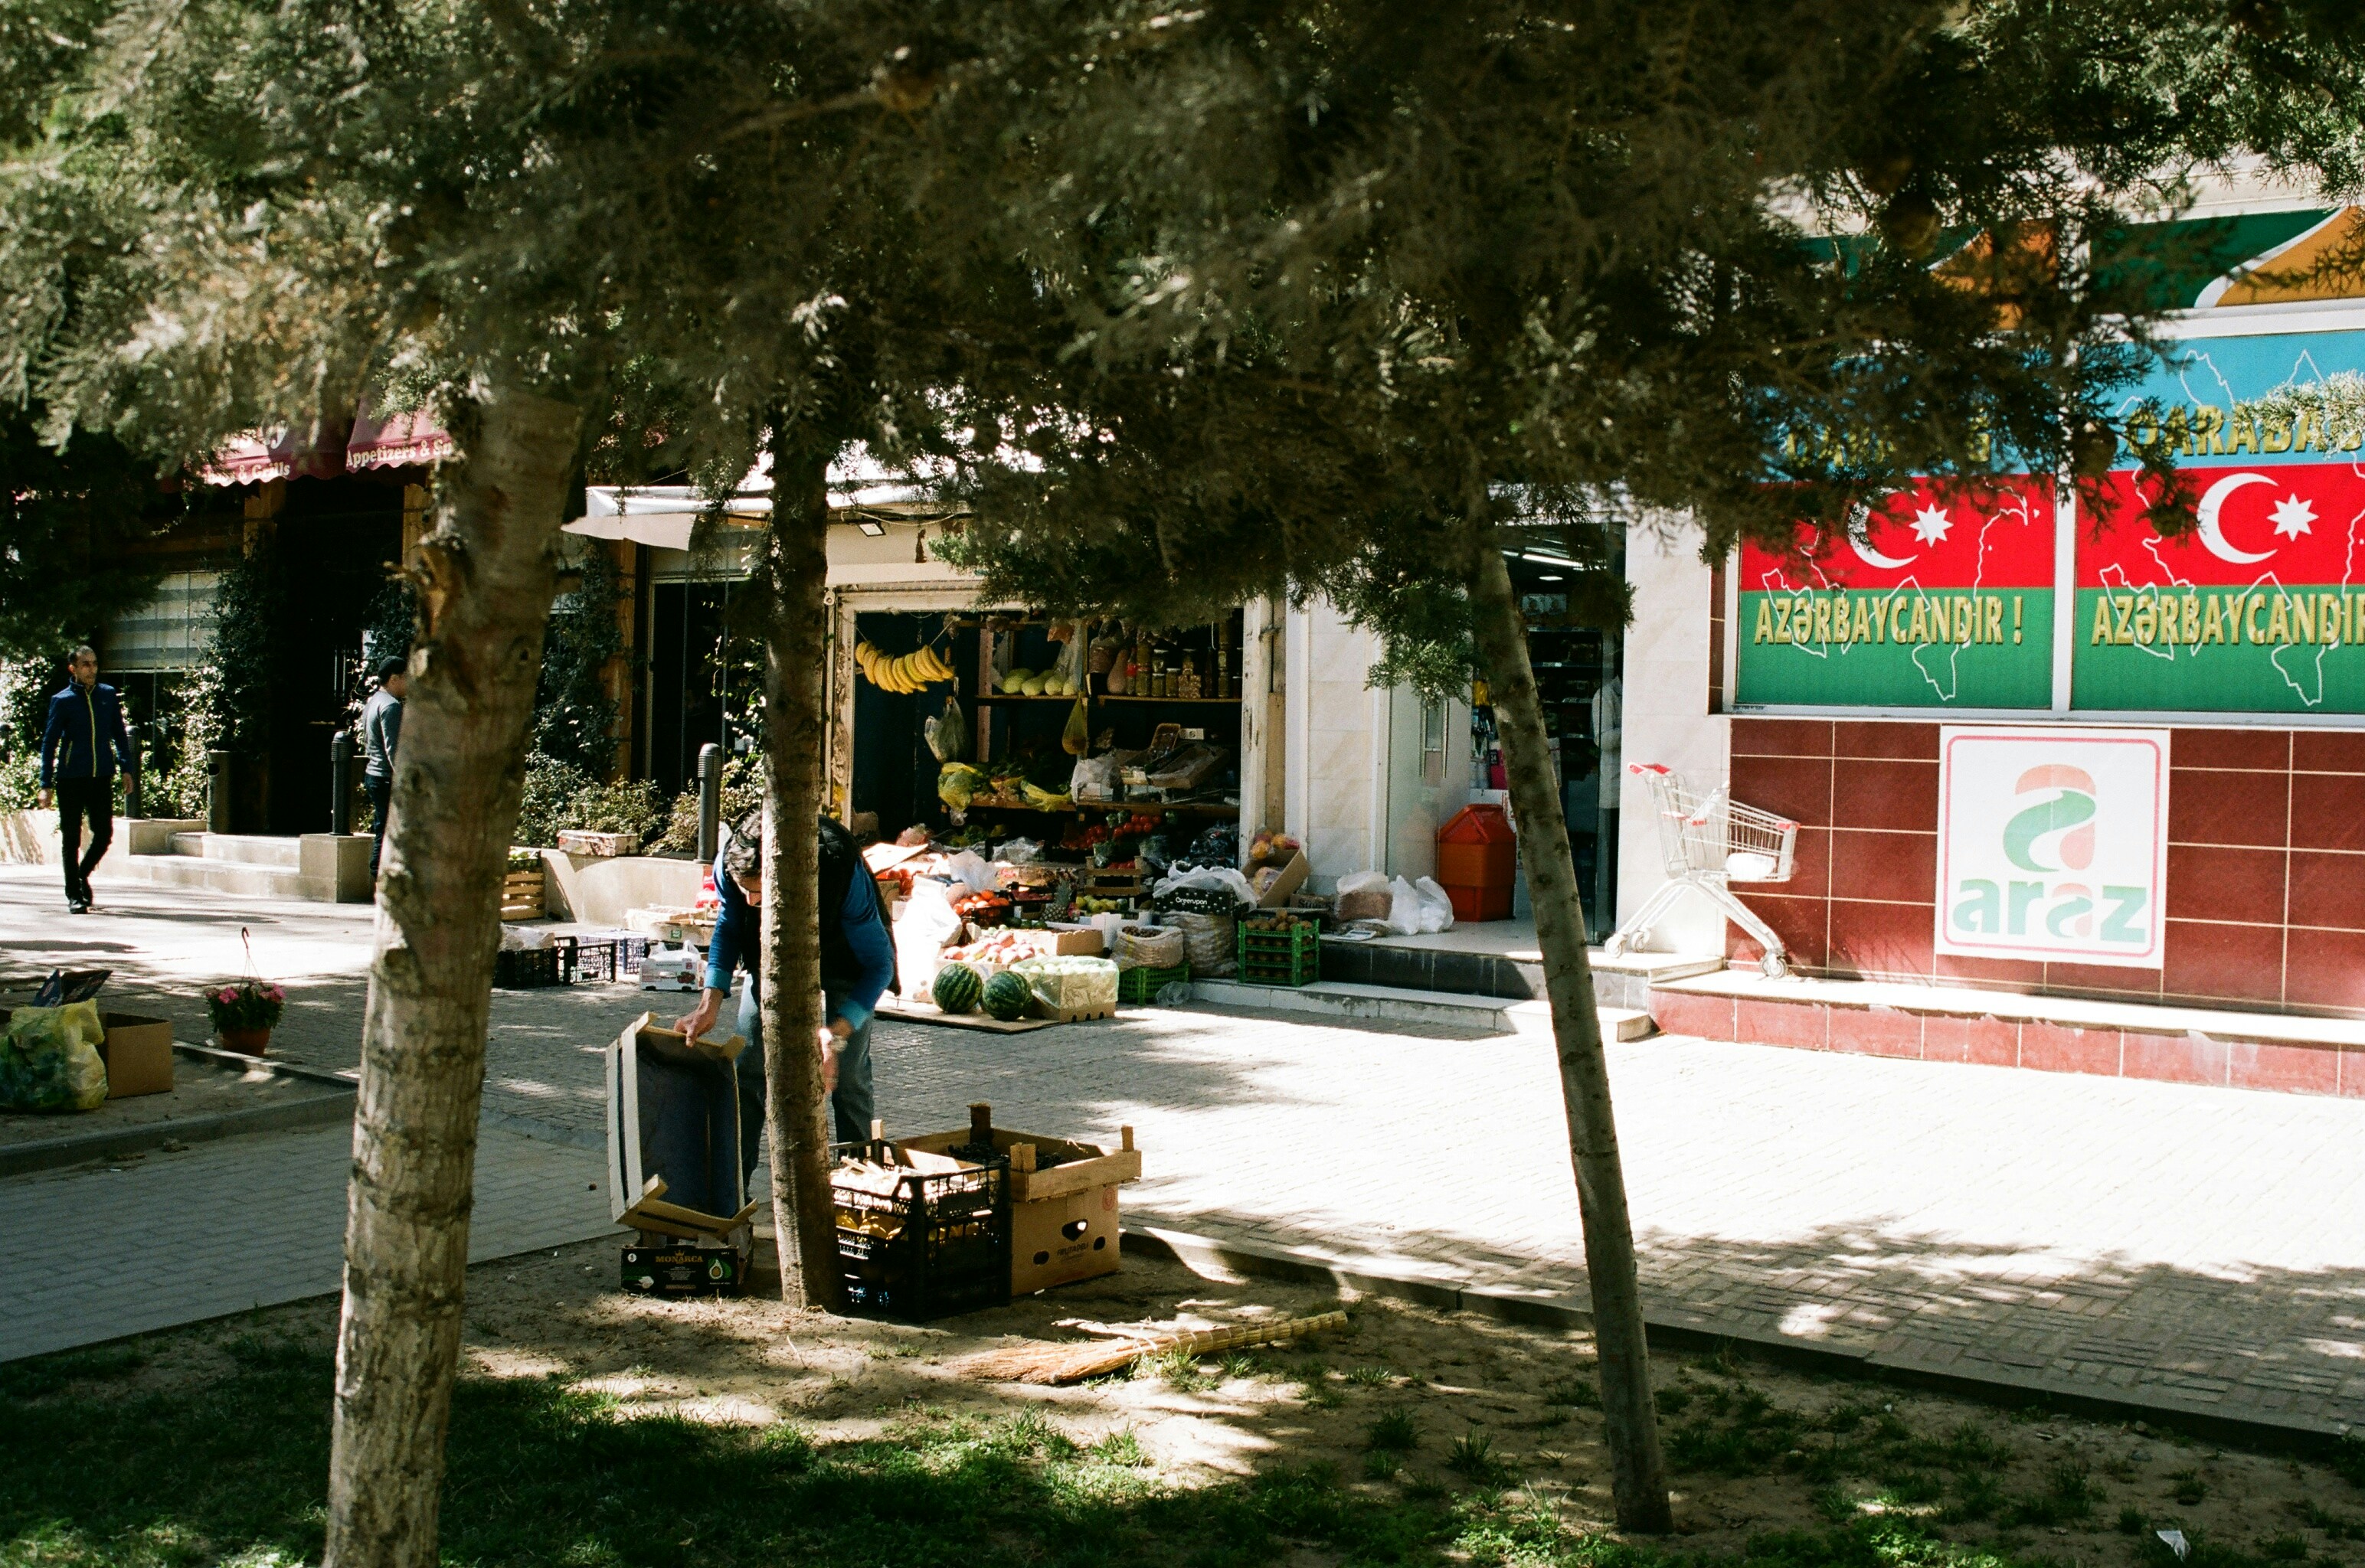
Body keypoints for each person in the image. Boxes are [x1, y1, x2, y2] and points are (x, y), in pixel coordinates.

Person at [677, 810, 896, 1184]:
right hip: (773, 959)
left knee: (849, 1078)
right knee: (748, 1068)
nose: (749, 900)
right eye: (743, 889)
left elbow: (879, 967)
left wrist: (836, 1034)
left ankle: (859, 1188)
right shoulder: (731, 863)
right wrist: (709, 1003)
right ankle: (731, 1192)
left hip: (846, 958)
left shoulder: (838, 868)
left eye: (759, 893)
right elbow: (729, 929)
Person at [38, 645, 136, 913]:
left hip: (101, 775)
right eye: (85, 665)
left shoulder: (106, 695)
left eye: (94, 663)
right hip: (71, 778)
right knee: (71, 838)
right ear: (74, 669)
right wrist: (45, 783)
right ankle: (74, 895)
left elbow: (118, 734)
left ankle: (82, 875)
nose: (91, 669)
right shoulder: (63, 700)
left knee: (104, 834)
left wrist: (127, 769)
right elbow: (49, 743)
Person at [360, 658, 407, 876]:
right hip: (386, 777)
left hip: (374, 774)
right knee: (389, 832)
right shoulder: (391, 706)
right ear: (394, 679)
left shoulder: (373, 701)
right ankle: (380, 880)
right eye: (407, 678)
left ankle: (378, 880)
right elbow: (394, 749)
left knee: (383, 828)